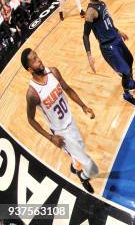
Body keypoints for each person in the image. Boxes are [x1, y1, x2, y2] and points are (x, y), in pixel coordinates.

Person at [22, 48, 98, 193]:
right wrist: (51, 138)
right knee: (91, 167)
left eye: (38, 56)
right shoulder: (32, 93)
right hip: (61, 132)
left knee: (80, 149)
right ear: (29, 69)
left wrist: (83, 106)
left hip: (71, 121)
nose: (39, 60)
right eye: (35, 60)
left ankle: (75, 165)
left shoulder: (53, 72)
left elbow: (68, 89)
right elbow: (30, 120)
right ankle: (83, 175)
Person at [82, 0, 135, 106]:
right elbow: (85, 35)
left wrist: (118, 31)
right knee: (125, 71)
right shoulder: (90, 12)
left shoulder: (101, 3)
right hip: (108, 46)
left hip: (116, 38)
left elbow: (108, 22)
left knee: (130, 60)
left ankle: (131, 84)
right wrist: (89, 55)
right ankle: (127, 95)